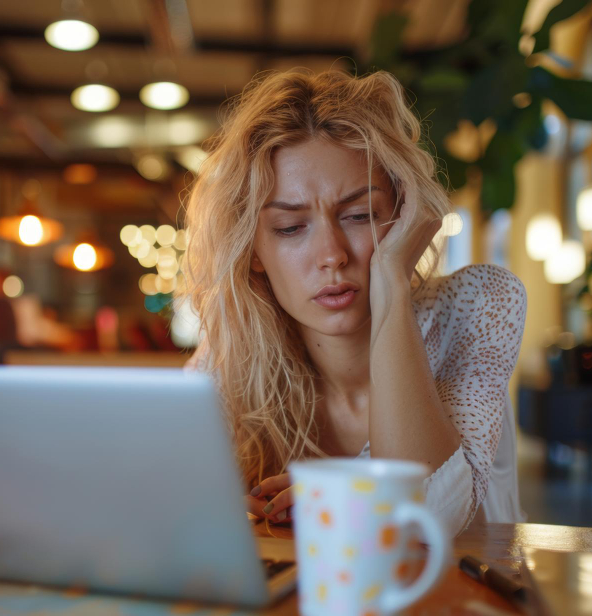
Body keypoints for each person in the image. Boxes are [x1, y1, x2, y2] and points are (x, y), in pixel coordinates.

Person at [181, 70, 527, 536]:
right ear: (253, 251)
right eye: (289, 228)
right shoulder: (232, 357)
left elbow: (426, 521)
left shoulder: (476, 308)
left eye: (361, 215)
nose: (332, 256)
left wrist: (391, 279)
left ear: (403, 216)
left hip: (469, 601)